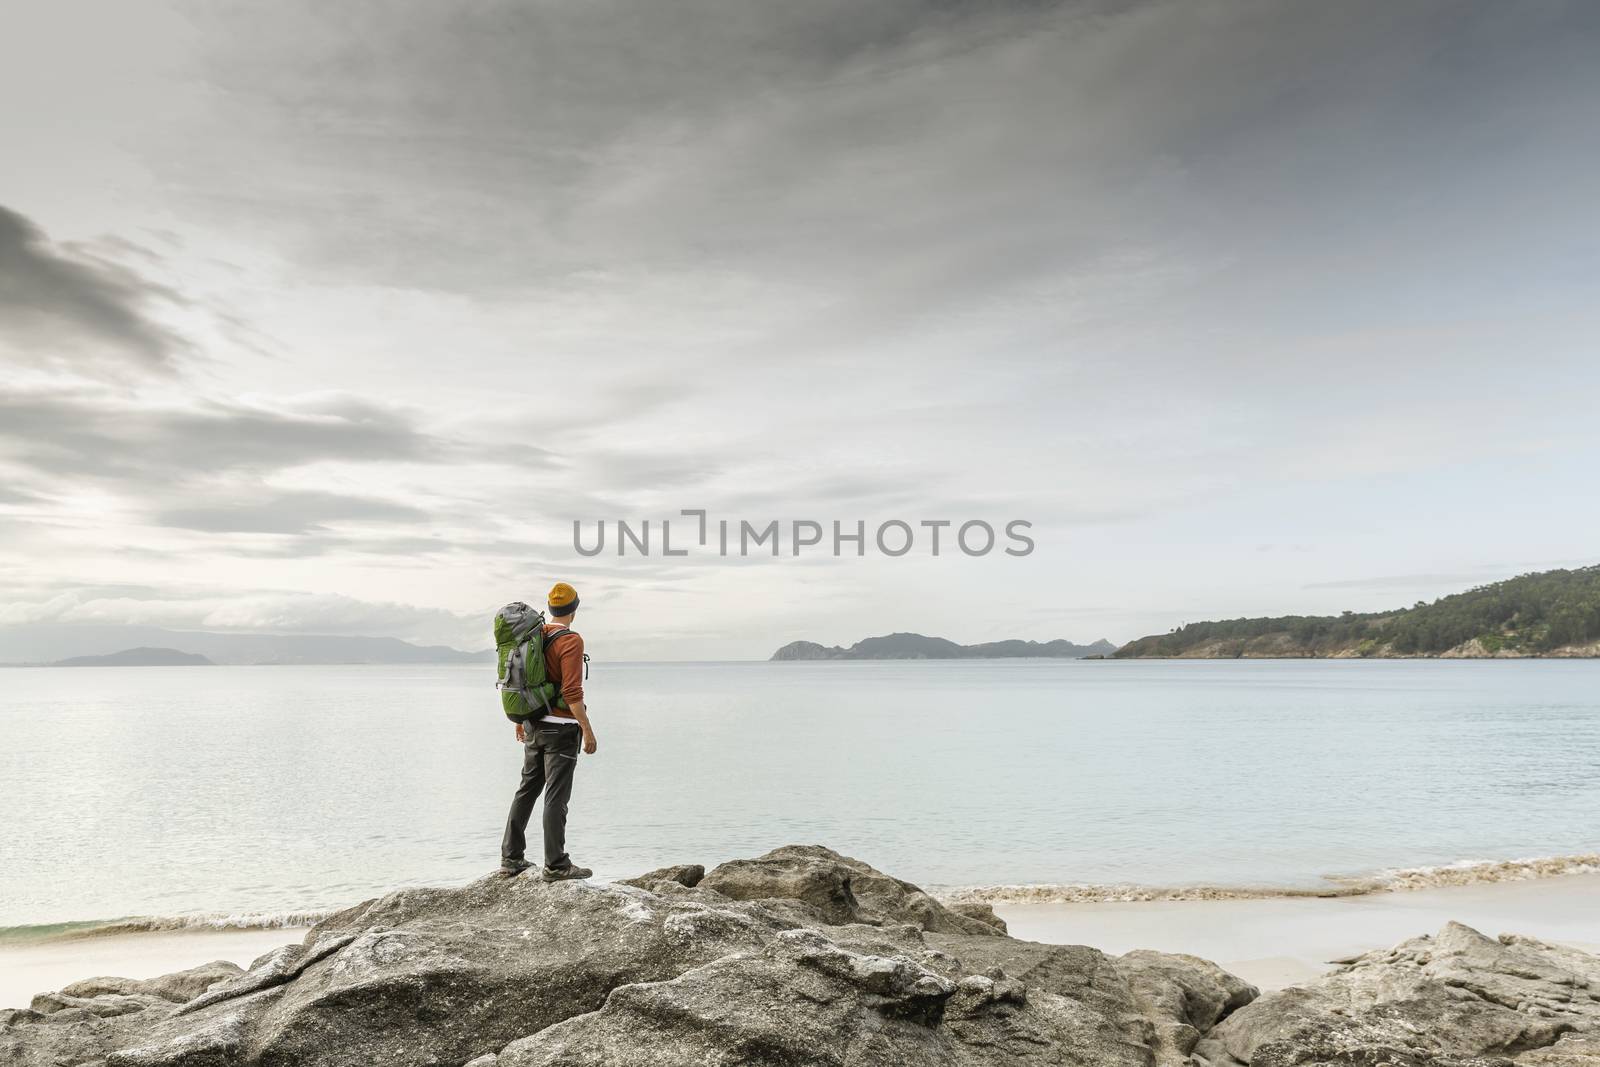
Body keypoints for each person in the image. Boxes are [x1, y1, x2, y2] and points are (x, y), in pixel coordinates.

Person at [500, 582, 598, 881]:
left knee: (526, 791)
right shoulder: (571, 640)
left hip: (533, 724)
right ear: (574, 609)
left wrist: (521, 718)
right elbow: (571, 692)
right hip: (561, 730)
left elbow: (523, 679)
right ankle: (556, 865)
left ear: (551, 607)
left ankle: (510, 859)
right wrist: (587, 729)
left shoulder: (535, 635)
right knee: (556, 797)